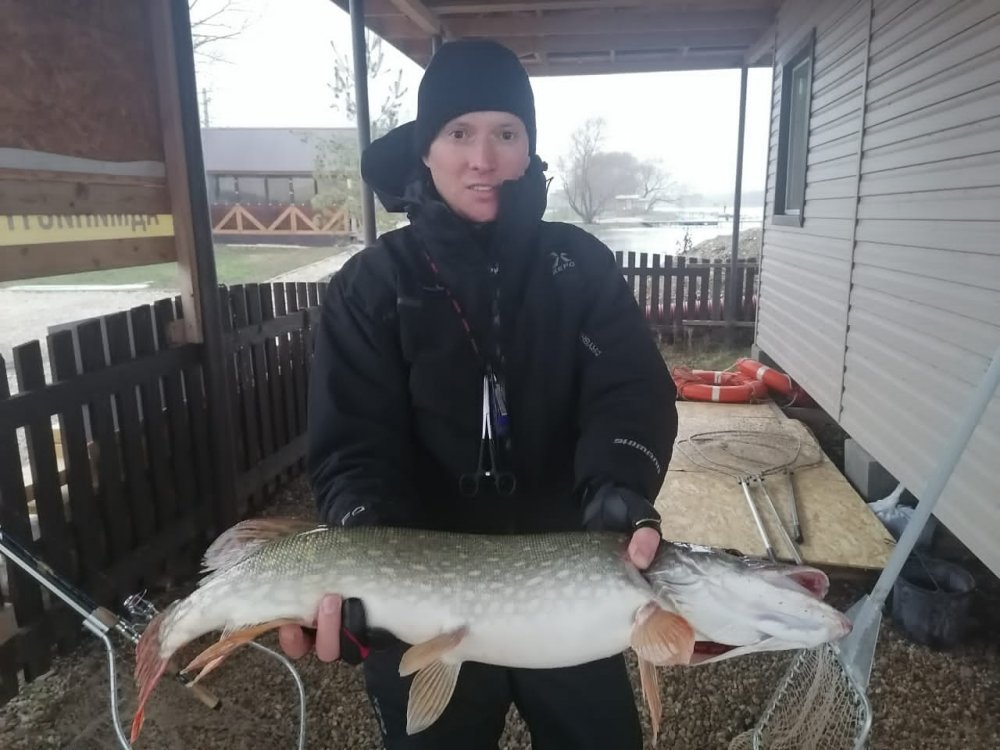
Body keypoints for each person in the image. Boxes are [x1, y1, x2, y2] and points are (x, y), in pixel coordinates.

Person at [278, 39, 678, 749]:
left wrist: (619, 485)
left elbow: (629, 393)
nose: (483, 159)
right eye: (459, 133)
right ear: (425, 150)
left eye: (506, 133)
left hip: (568, 585)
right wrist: (365, 540)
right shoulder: (371, 287)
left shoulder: (581, 266)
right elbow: (352, 447)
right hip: (420, 606)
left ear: (529, 148)